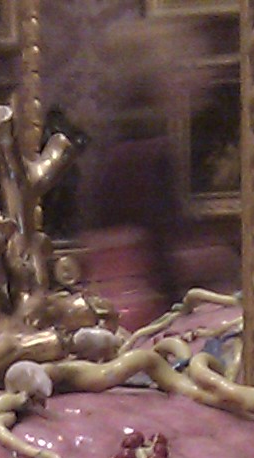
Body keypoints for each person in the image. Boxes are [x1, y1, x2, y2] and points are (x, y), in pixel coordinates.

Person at [76, 17, 190, 330]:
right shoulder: (146, 153)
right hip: (143, 313)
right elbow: (158, 253)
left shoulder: (117, 144)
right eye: (177, 69)